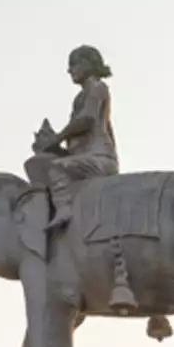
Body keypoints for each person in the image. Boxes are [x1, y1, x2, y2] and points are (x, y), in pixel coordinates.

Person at [32, 44, 119, 231]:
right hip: (88, 158)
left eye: (74, 64)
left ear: (88, 64)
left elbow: (86, 118)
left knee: (56, 168)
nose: (69, 70)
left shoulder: (96, 87)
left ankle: (64, 209)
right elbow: (76, 143)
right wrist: (53, 148)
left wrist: (56, 138)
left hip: (100, 159)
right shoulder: (81, 96)